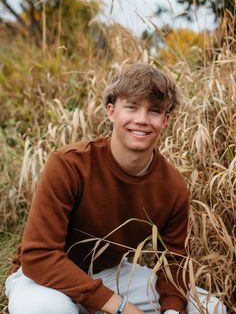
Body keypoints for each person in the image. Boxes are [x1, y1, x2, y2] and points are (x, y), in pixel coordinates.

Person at [5, 64, 226, 314]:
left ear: (165, 120)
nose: (142, 119)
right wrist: (121, 307)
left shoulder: (171, 186)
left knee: (210, 307)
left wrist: (173, 310)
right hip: (44, 279)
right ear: (111, 111)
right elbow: (39, 255)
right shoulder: (69, 165)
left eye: (154, 110)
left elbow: (173, 263)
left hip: (109, 274)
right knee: (47, 310)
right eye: (131, 107)